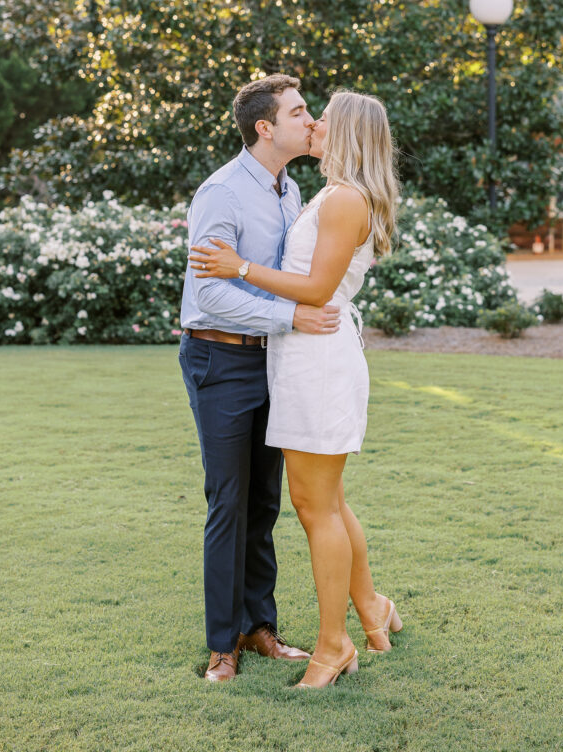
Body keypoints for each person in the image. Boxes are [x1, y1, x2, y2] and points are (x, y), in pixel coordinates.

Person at [190, 90, 403, 690]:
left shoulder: (337, 198)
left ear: (345, 133)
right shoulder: (307, 194)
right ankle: (369, 612)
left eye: (320, 116)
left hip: (316, 360)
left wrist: (241, 268)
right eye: (301, 113)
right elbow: (297, 292)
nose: (311, 122)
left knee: (315, 508)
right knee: (324, 503)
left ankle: (333, 645)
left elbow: (313, 290)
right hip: (289, 356)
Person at [179, 73, 343, 683]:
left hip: (272, 360)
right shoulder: (220, 193)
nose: (311, 121)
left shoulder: (290, 189)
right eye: (300, 112)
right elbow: (211, 294)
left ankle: (260, 627)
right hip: (219, 360)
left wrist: (291, 320)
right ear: (266, 127)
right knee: (229, 502)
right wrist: (293, 316)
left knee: (265, 503)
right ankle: (224, 644)